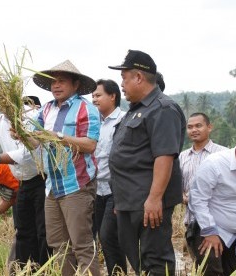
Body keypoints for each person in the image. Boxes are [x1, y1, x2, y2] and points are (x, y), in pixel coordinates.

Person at [108, 49, 186, 275]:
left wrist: (154, 198)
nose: (121, 84)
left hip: (148, 202)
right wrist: (120, 201)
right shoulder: (135, 111)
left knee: (155, 260)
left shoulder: (162, 109)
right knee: (138, 260)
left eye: (124, 78)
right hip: (129, 200)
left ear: (139, 77)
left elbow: (164, 156)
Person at [24, 60, 100, 275]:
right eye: (52, 82)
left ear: (75, 85)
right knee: (59, 246)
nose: (55, 86)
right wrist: (22, 135)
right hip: (52, 186)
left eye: (61, 81)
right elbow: (35, 142)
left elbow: (90, 145)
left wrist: (57, 136)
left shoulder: (86, 109)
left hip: (76, 184)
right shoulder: (47, 109)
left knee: (82, 246)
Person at [0, 95, 50, 268]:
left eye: (3, 98)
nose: (0, 103)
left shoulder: (32, 117)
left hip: (41, 180)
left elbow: (24, 155)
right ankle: (25, 270)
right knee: (23, 231)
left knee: (43, 231)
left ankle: (46, 269)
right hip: (22, 183)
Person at [188, 139, 236, 276]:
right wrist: (210, 231)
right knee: (212, 272)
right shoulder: (215, 164)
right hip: (213, 230)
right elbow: (197, 199)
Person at [91, 79, 127, 275]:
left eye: (98, 95)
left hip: (115, 189)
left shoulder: (124, 120)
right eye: (93, 96)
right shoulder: (93, 123)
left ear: (113, 96)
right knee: (94, 238)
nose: (94, 99)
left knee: (108, 237)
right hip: (95, 189)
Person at [179, 112, 227, 251]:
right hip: (192, 222)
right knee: (201, 267)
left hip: (220, 222)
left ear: (209, 127)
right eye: (190, 127)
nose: (194, 130)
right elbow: (178, 187)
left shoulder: (223, 154)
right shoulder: (182, 157)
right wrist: (184, 197)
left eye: (198, 126)